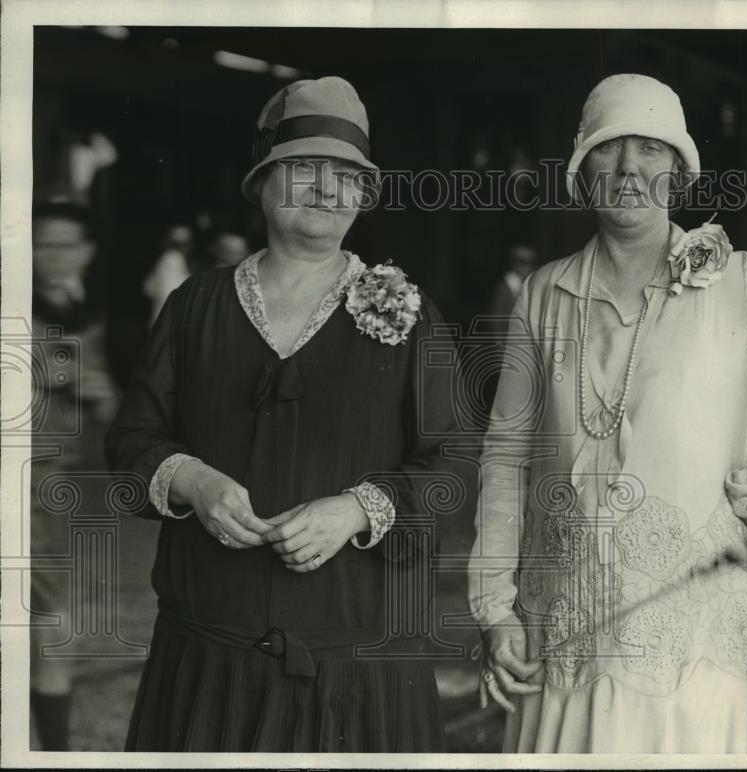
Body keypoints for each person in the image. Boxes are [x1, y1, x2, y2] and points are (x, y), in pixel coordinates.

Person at [468, 73, 747, 754]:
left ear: (680, 172)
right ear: (581, 169)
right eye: (608, 147)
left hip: (689, 636)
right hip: (561, 623)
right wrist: (493, 608)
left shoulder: (734, 283)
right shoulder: (542, 294)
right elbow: (506, 454)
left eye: (651, 149)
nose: (629, 167)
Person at [105, 76, 464, 752]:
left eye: (347, 176)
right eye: (305, 168)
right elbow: (131, 438)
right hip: (209, 659)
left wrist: (358, 509)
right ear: (263, 183)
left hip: (357, 664)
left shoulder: (409, 314)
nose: (327, 190)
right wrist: (192, 481)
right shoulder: (195, 305)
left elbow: (456, 463)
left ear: (363, 197)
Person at [30, 197, 118, 749]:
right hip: (21, 476)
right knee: (52, 619)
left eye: (68, 244)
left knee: (50, 617)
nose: (55, 255)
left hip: (52, 481)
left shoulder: (89, 310)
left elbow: (105, 400)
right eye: (43, 243)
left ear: (87, 252)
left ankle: (52, 750)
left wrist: (96, 389)